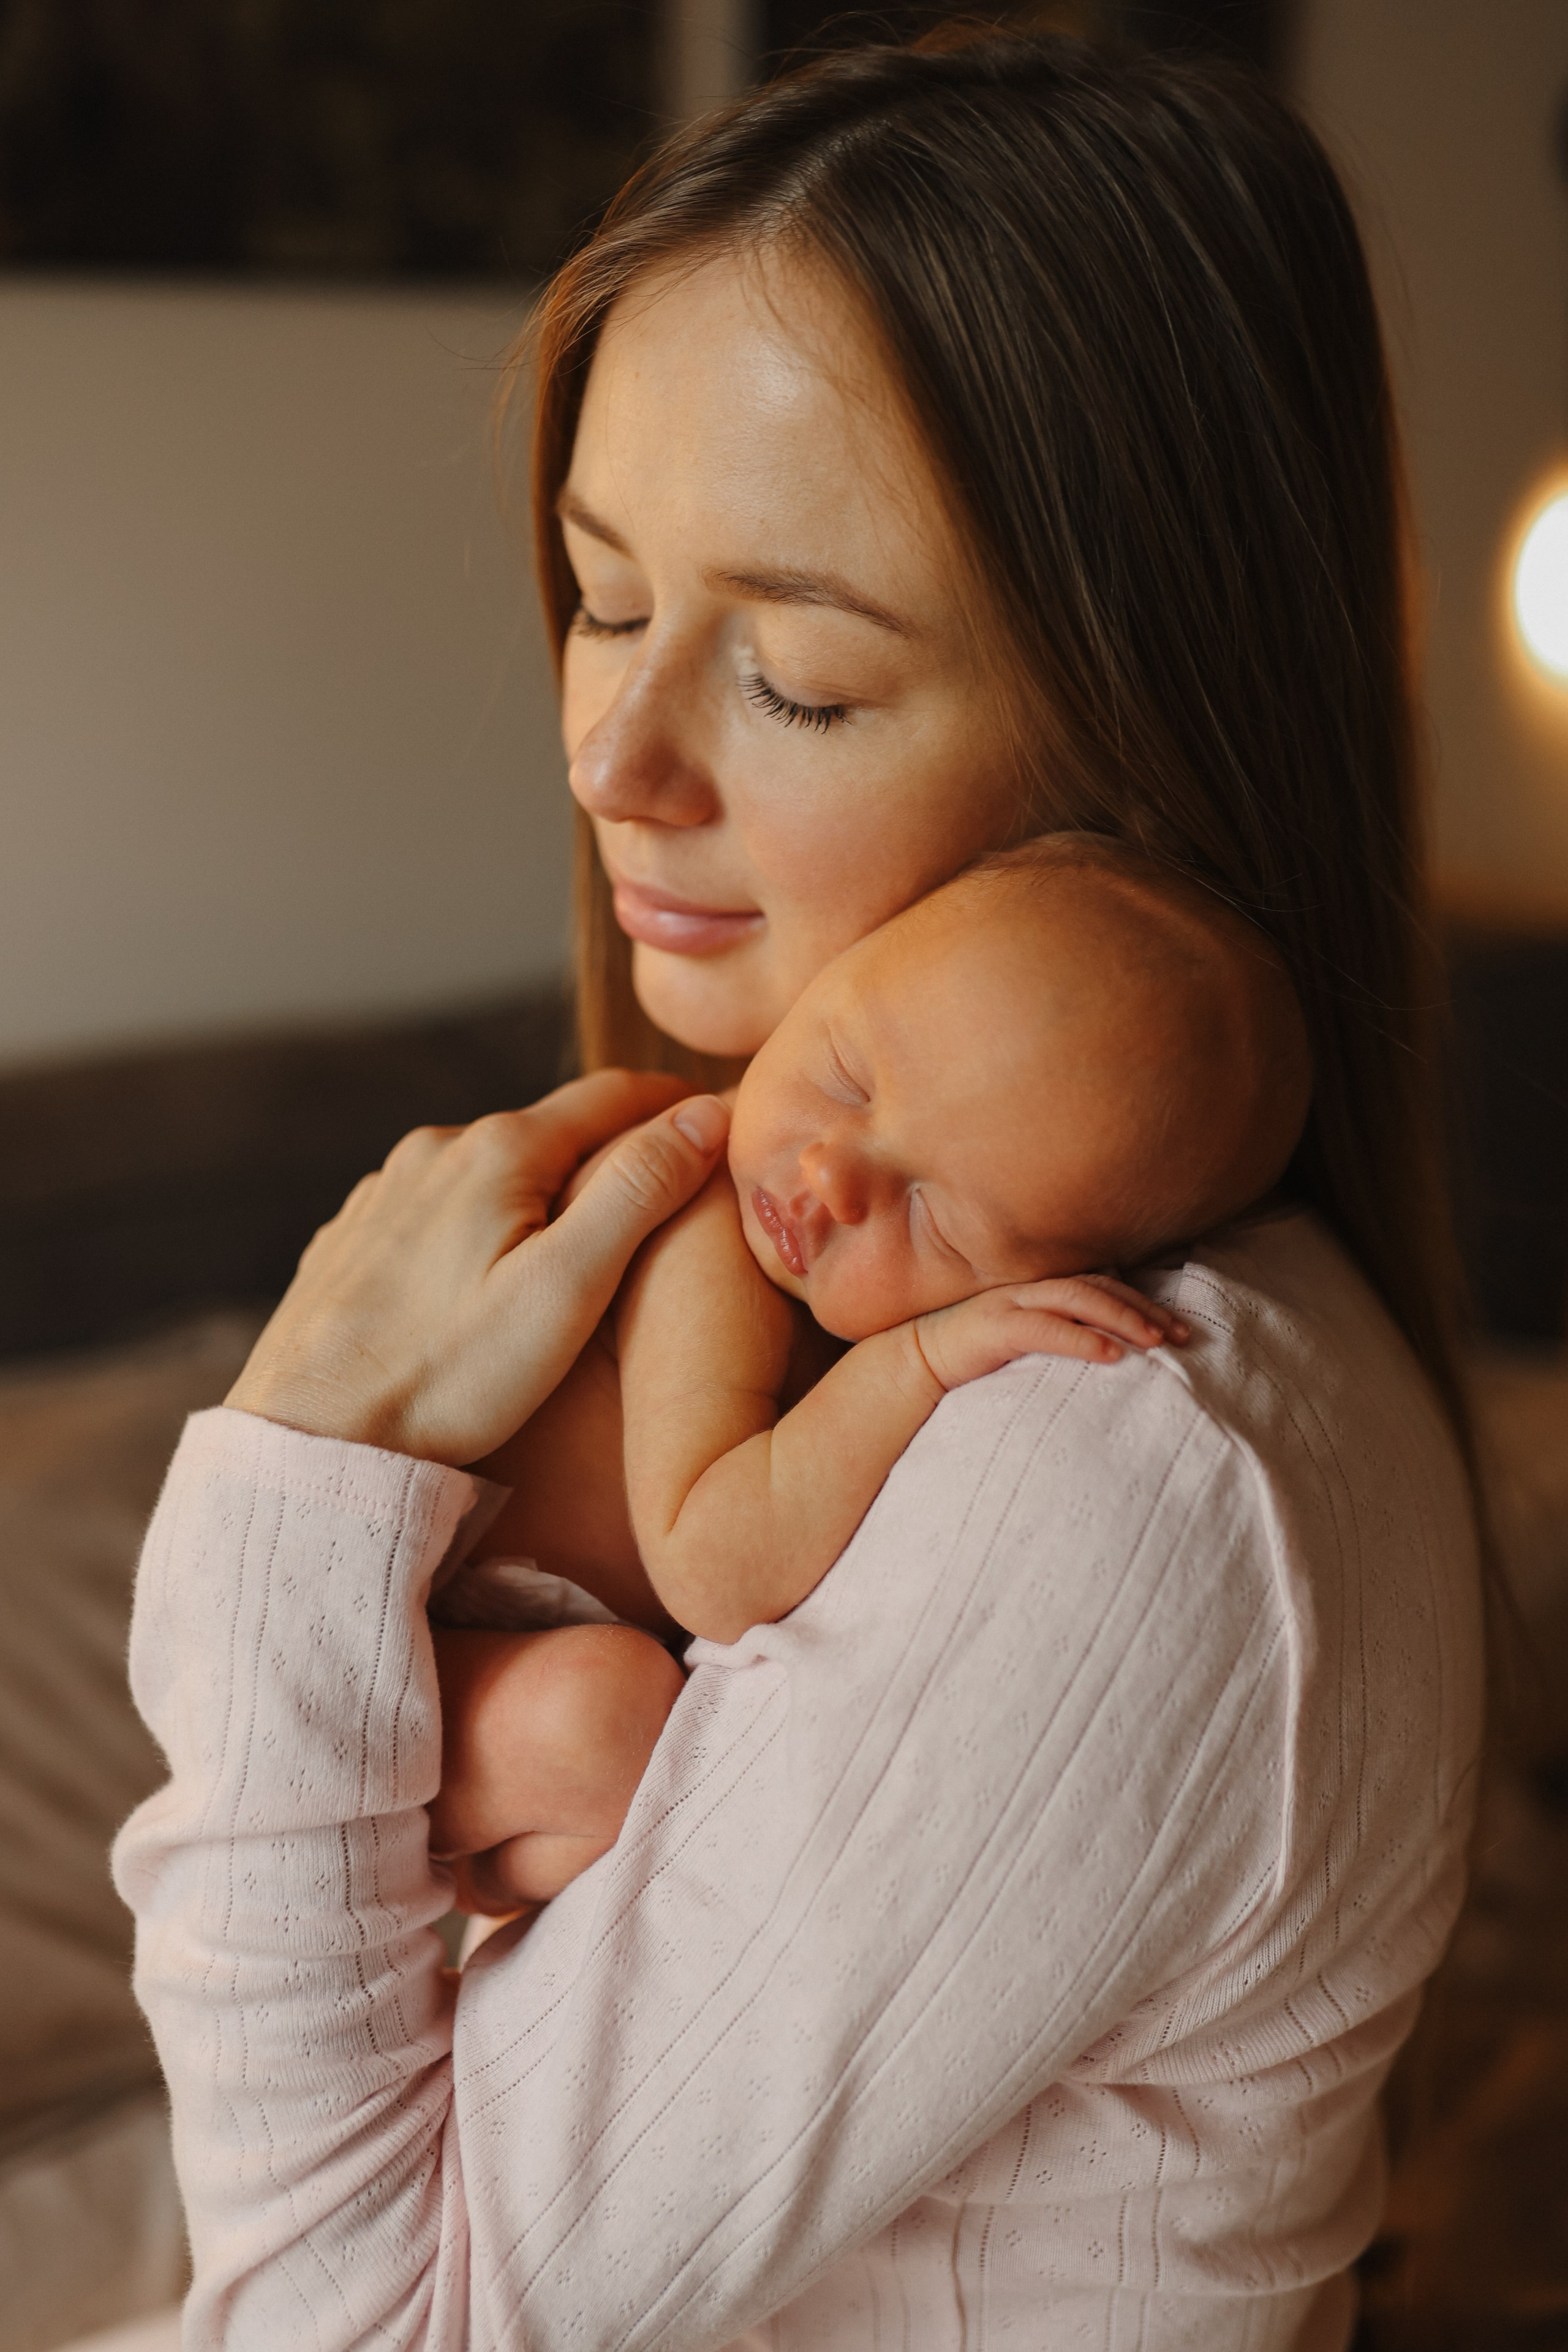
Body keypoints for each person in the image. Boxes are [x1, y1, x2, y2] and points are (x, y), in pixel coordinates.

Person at [113, 30, 1483, 2351]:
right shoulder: (958, 1307)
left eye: (803, 681)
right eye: (600, 593)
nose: (606, 755)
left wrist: (294, 1488)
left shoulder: (1110, 1466)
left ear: (1150, 732)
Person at [427, 836, 1311, 1905]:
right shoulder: (701, 1232)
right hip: (407, 1646)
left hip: (481, 1673)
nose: (829, 1174)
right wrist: (921, 1358)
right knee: (608, 1715)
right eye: (843, 1074)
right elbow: (712, 1566)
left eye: (936, 1219)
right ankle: (460, 1872)